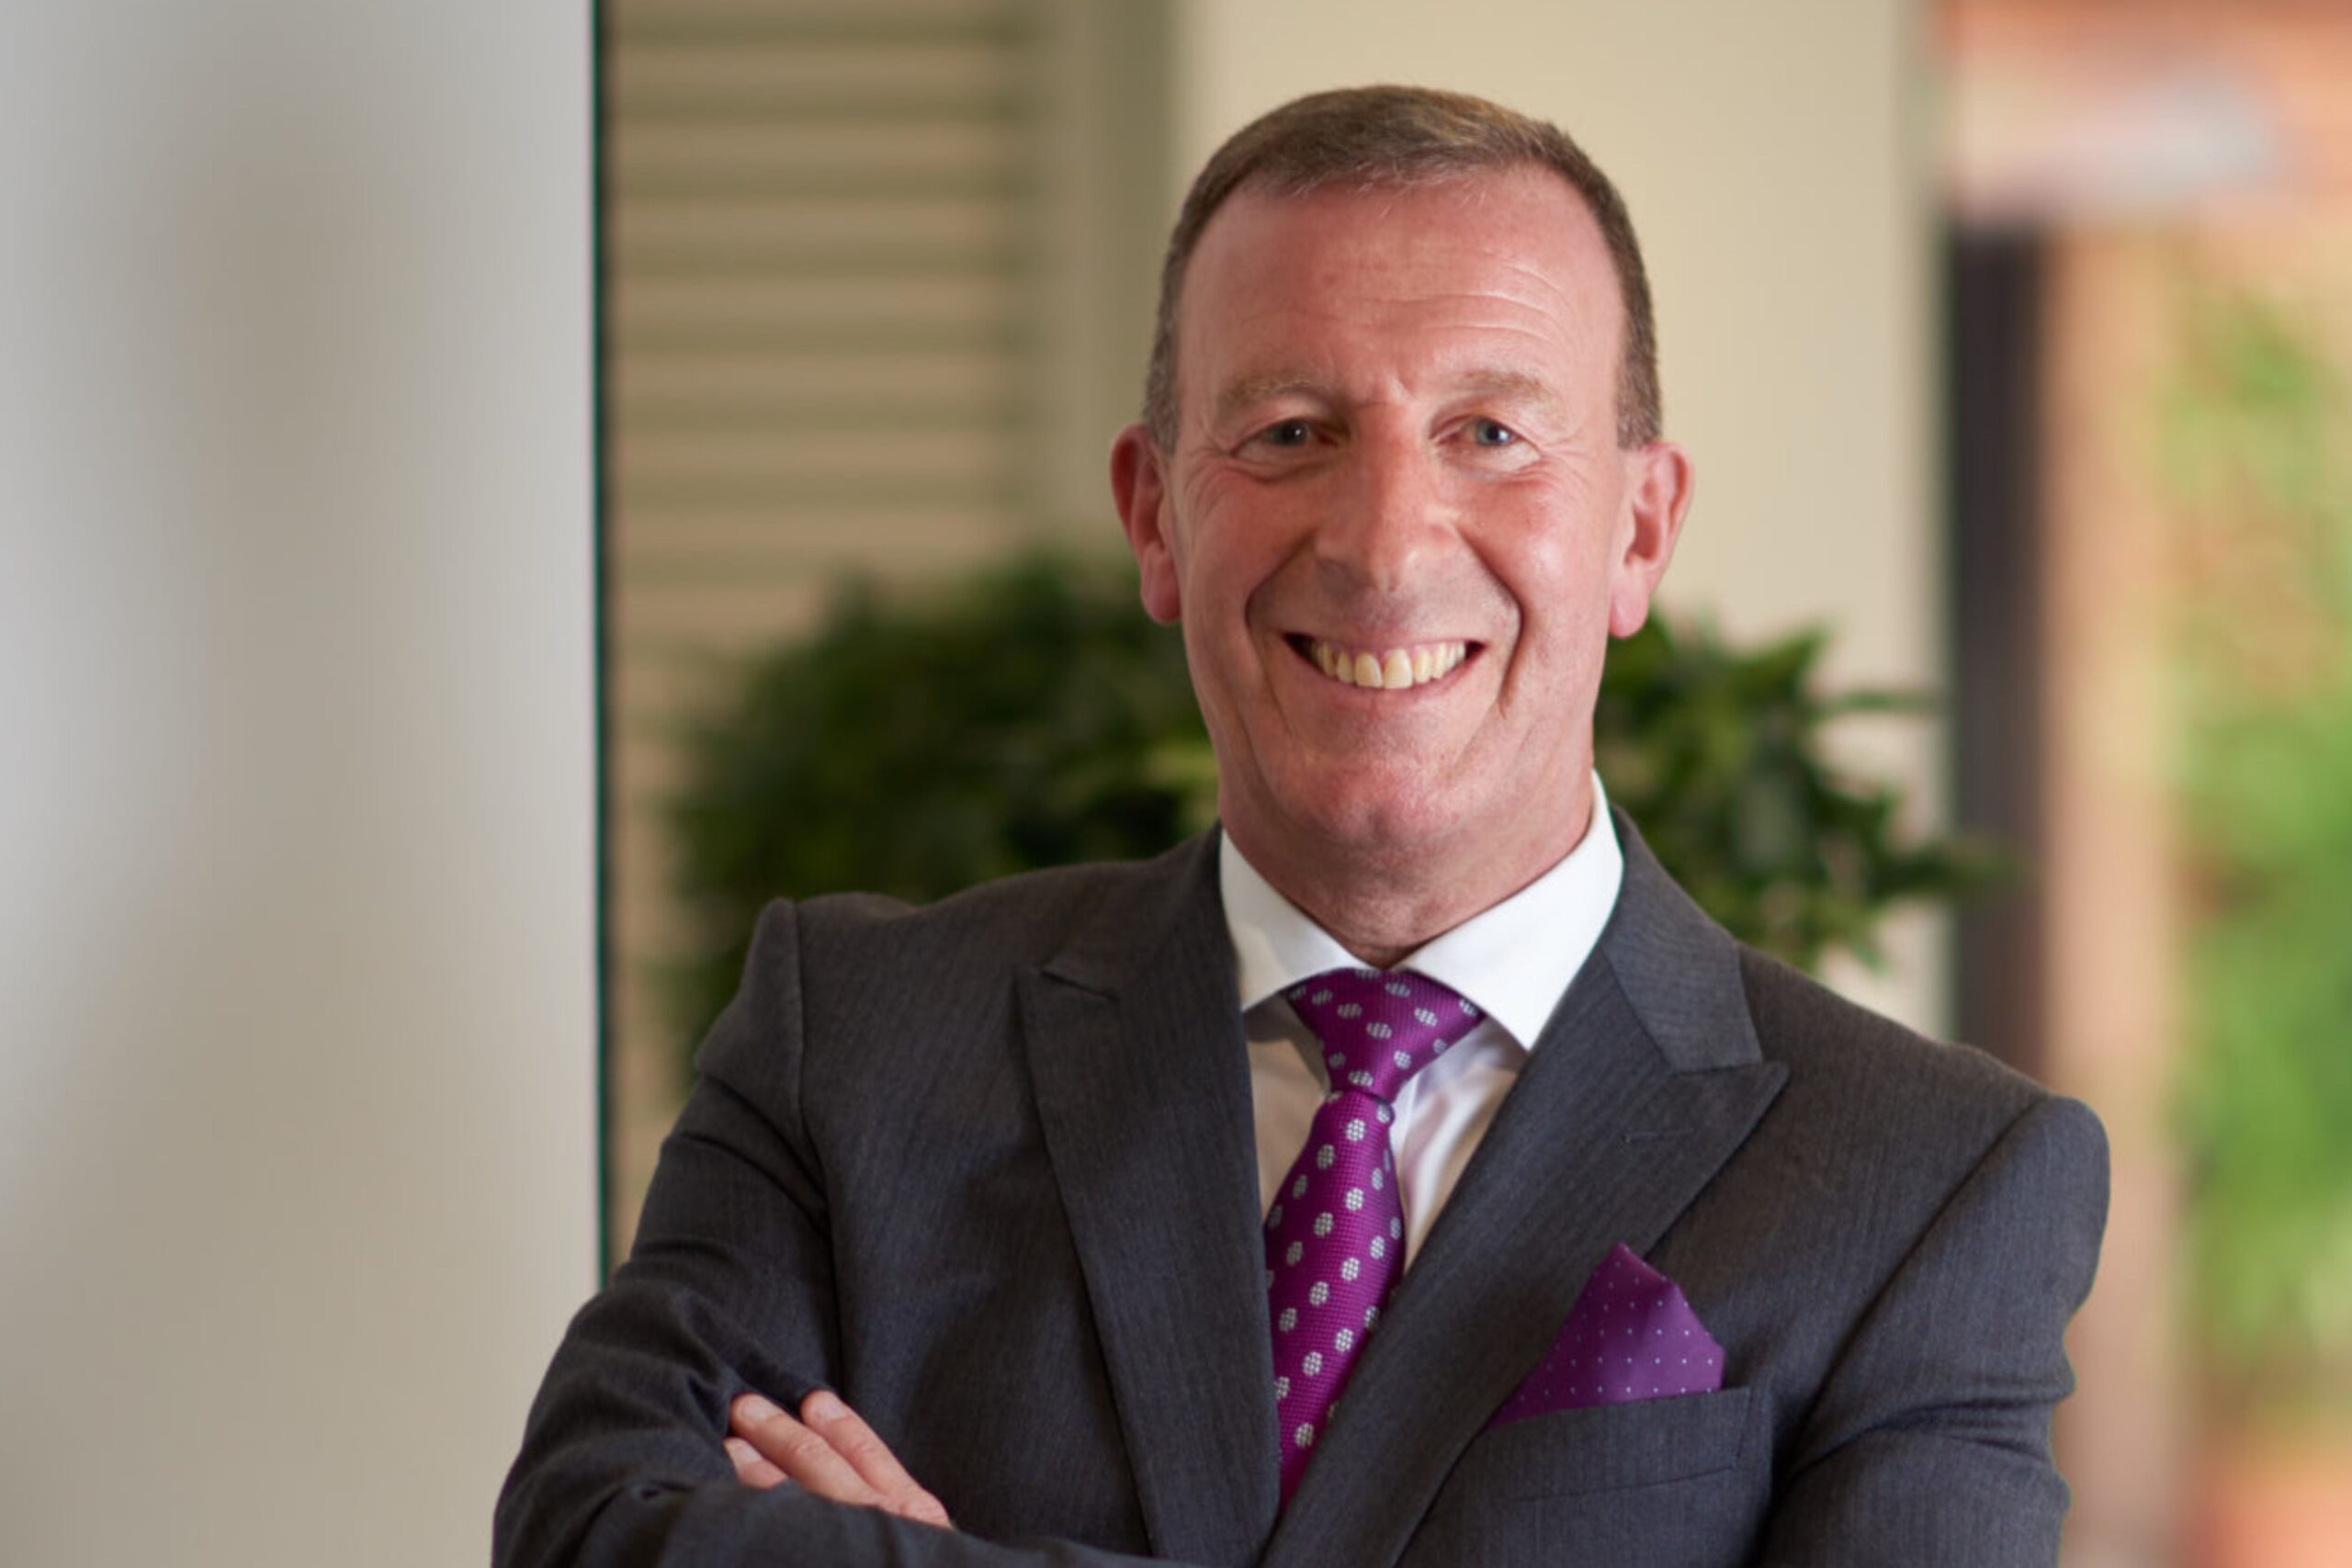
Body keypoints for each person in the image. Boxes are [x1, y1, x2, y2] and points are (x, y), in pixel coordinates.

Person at [496, 85, 2108, 1568]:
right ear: (1154, 518)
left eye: (1490, 433)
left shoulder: (1926, 1183)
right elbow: (591, 1533)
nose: (1384, 543)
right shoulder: (848, 1044)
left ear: (1639, 528)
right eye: (1288, 432)